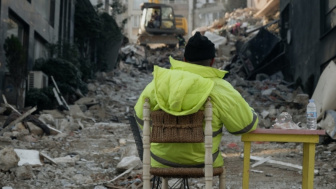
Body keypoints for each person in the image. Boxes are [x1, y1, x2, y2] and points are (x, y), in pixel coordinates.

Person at [134, 32, 258, 168]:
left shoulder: (158, 84)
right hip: (203, 163)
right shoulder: (220, 89)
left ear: (185, 59)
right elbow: (244, 126)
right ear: (212, 61)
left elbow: (141, 119)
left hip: (160, 161)